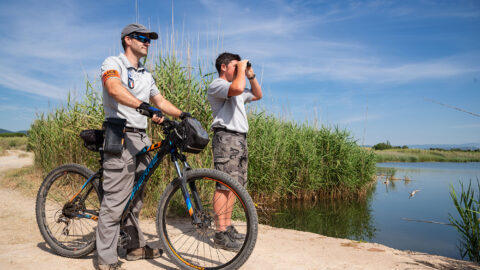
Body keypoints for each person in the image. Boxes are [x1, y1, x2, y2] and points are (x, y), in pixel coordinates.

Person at [97, 23, 190, 270]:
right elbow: (114, 89)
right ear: (128, 40)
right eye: (142, 38)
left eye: (150, 39)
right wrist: (143, 106)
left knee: (136, 197)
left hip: (142, 138)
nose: (147, 42)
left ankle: (134, 246)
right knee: (116, 199)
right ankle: (105, 258)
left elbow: (158, 100)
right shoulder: (112, 64)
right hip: (120, 134)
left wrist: (183, 115)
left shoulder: (146, 74)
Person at [207, 52, 262, 251]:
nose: (238, 69)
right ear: (224, 67)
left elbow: (257, 95)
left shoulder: (236, 90)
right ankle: (220, 233)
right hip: (226, 137)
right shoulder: (218, 85)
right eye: (234, 66)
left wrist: (250, 75)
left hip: (239, 139)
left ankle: (227, 227)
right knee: (223, 185)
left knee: (234, 186)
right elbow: (237, 87)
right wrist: (241, 68)